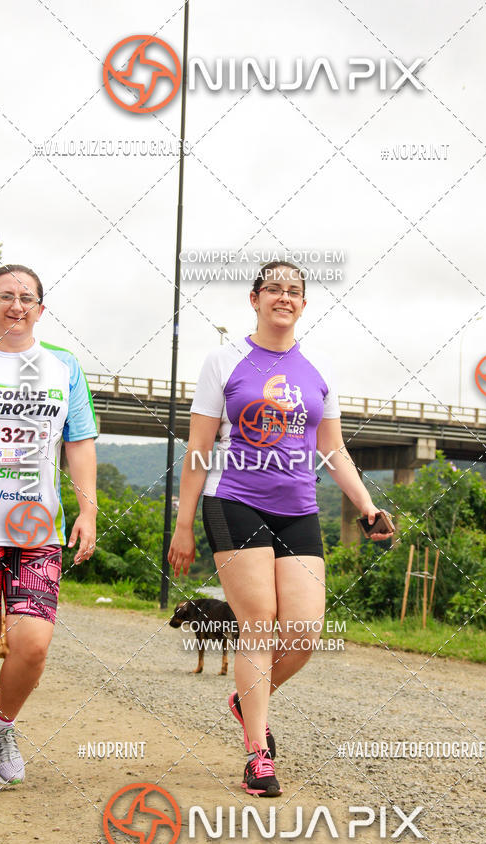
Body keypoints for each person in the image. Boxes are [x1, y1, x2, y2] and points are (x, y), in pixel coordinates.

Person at [168, 259, 391, 797]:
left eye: (294, 291)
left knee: (305, 632)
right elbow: (198, 450)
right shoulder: (223, 361)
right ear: (255, 299)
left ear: (304, 304)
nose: (283, 297)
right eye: (273, 289)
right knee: (260, 624)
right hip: (234, 499)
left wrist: (366, 506)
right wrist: (183, 524)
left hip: (298, 506)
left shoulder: (318, 369)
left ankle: (247, 702)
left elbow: (331, 447)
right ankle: (257, 755)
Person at [0, 264, 98, 802]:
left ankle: (1, 724)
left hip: (36, 529)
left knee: (32, 645)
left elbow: (80, 442)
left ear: (41, 308)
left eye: (28, 298)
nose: (16, 306)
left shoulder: (62, 367)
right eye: (6, 297)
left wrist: (87, 511)